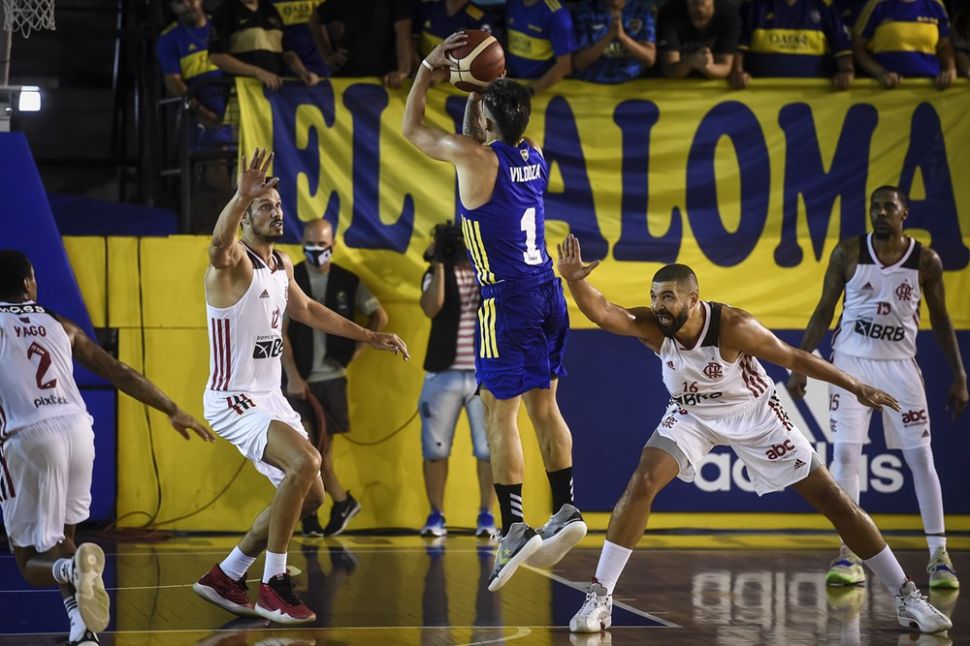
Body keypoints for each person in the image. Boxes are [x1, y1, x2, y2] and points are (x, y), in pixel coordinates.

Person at [556, 234, 954, 636]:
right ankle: (600, 596)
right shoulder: (654, 327)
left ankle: (906, 595)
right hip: (692, 414)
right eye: (655, 296)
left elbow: (794, 357)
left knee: (833, 499)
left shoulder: (733, 325)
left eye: (669, 297)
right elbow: (604, 312)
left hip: (757, 415)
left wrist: (856, 385)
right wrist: (575, 280)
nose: (659, 305)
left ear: (694, 299)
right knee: (643, 480)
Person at [403, 34, 588, 593]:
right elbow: (482, 130)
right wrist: (480, 89)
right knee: (545, 407)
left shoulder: (475, 158)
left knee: (499, 414)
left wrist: (429, 69)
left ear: (485, 120)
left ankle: (513, 527)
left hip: (506, 300)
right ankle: (567, 508)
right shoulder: (533, 153)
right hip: (548, 292)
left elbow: (413, 129)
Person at [192, 148, 408, 624]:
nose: (276, 212)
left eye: (278, 205)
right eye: (264, 206)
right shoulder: (234, 263)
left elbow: (307, 310)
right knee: (307, 461)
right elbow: (217, 246)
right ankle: (274, 584)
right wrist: (238, 197)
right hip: (233, 397)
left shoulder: (282, 265)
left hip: (269, 398)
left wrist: (370, 335)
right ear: (246, 216)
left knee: (312, 494)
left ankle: (227, 575)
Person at [0, 250, 214, 646]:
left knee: (30, 562)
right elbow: (118, 371)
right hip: (78, 430)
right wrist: (172, 408)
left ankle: (69, 572)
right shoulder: (59, 323)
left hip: (29, 438)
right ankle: (83, 630)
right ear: (29, 283)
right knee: (65, 542)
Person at [787, 185, 966, 590]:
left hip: (900, 369)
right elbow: (823, 310)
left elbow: (940, 319)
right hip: (851, 366)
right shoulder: (848, 252)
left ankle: (940, 557)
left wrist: (960, 374)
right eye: (875, 207)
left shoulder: (926, 261)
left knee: (921, 458)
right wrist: (801, 364)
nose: (881, 212)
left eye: (889, 206)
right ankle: (848, 555)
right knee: (845, 455)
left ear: (904, 213)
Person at [281, 218, 387, 537]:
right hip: (297, 380)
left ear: (333, 245)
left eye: (322, 245)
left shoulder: (347, 281)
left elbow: (379, 316)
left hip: (331, 379)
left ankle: (322, 508)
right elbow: (280, 333)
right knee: (305, 452)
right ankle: (337, 501)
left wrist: (355, 352)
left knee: (320, 451)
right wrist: (293, 376)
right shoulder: (291, 277)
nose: (316, 250)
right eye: (310, 244)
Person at [417, 220, 497, 539]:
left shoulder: (487, 272)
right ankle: (436, 514)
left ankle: (486, 515)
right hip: (443, 373)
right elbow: (431, 307)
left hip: (483, 374)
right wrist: (439, 263)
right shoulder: (434, 272)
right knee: (435, 448)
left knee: (488, 449)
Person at [156, 0, 234, 149]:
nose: (188, 4)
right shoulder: (168, 38)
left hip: (237, 111)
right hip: (203, 118)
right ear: (172, 7)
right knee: (217, 156)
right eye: (180, 1)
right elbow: (173, 81)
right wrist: (201, 112)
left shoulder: (223, 26)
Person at [731, 0, 854, 89]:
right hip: (761, 98)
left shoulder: (825, 6)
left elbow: (842, 48)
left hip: (814, 99)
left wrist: (846, 71)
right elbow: (739, 48)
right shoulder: (754, 6)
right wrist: (737, 72)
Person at [208, 0, 320, 90]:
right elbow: (217, 56)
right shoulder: (225, 11)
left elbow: (287, 53)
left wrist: (302, 72)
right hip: (240, 94)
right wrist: (258, 73)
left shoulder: (271, 10)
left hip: (273, 95)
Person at [852, 0, 957, 90]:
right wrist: (880, 73)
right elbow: (858, 47)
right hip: (886, 91)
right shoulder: (877, 4)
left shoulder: (935, 4)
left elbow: (944, 45)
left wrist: (950, 70)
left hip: (931, 88)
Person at [314, 0, 413, 88]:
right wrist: (328, 56)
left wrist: (402, 71)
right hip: (346, 80)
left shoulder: (396, 2)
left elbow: (403, 34)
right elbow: (314, 19)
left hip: (385, 81)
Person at [504, 0, 577, 94]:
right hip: (512, 83)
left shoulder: (557, 14)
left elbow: (564, 67)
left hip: (539, 91)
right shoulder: (512, 3)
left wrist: (531, 91)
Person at [657, 0, 739, 79]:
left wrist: (710, 68)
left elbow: (725, 66)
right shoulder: (670, 12)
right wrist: (691, 61)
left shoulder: (728, 15)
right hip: (673, 85)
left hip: (709, 85)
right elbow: (669, 70)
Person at [412, 0, 498, 63]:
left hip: (457, 78)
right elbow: (413, 40)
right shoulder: (427, 7)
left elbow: (481, 61)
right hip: (421, 72)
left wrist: (444, 74)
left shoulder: (480, 19)